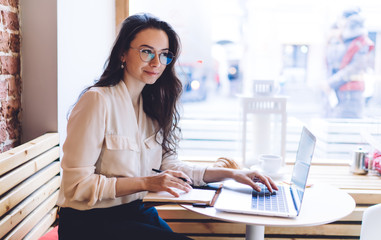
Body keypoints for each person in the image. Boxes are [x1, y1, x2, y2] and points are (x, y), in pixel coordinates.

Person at [57, 13, 278, 240]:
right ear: (122, 53)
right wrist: (146, 182)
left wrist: (232, 174)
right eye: (146, 51)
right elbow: (76, 186)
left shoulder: (151, 105)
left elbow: (170, 166)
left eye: (164, 55)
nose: (156, 63)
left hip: (136, 212)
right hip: (90, 223)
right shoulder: (97, 101)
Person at [324, 7, 374, 118]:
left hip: (351, 93)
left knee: (346, 129)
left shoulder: (360, 43)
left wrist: (330, 83)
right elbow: (332, 63)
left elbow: (353, 68)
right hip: (338, 92)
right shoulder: (342, 41)